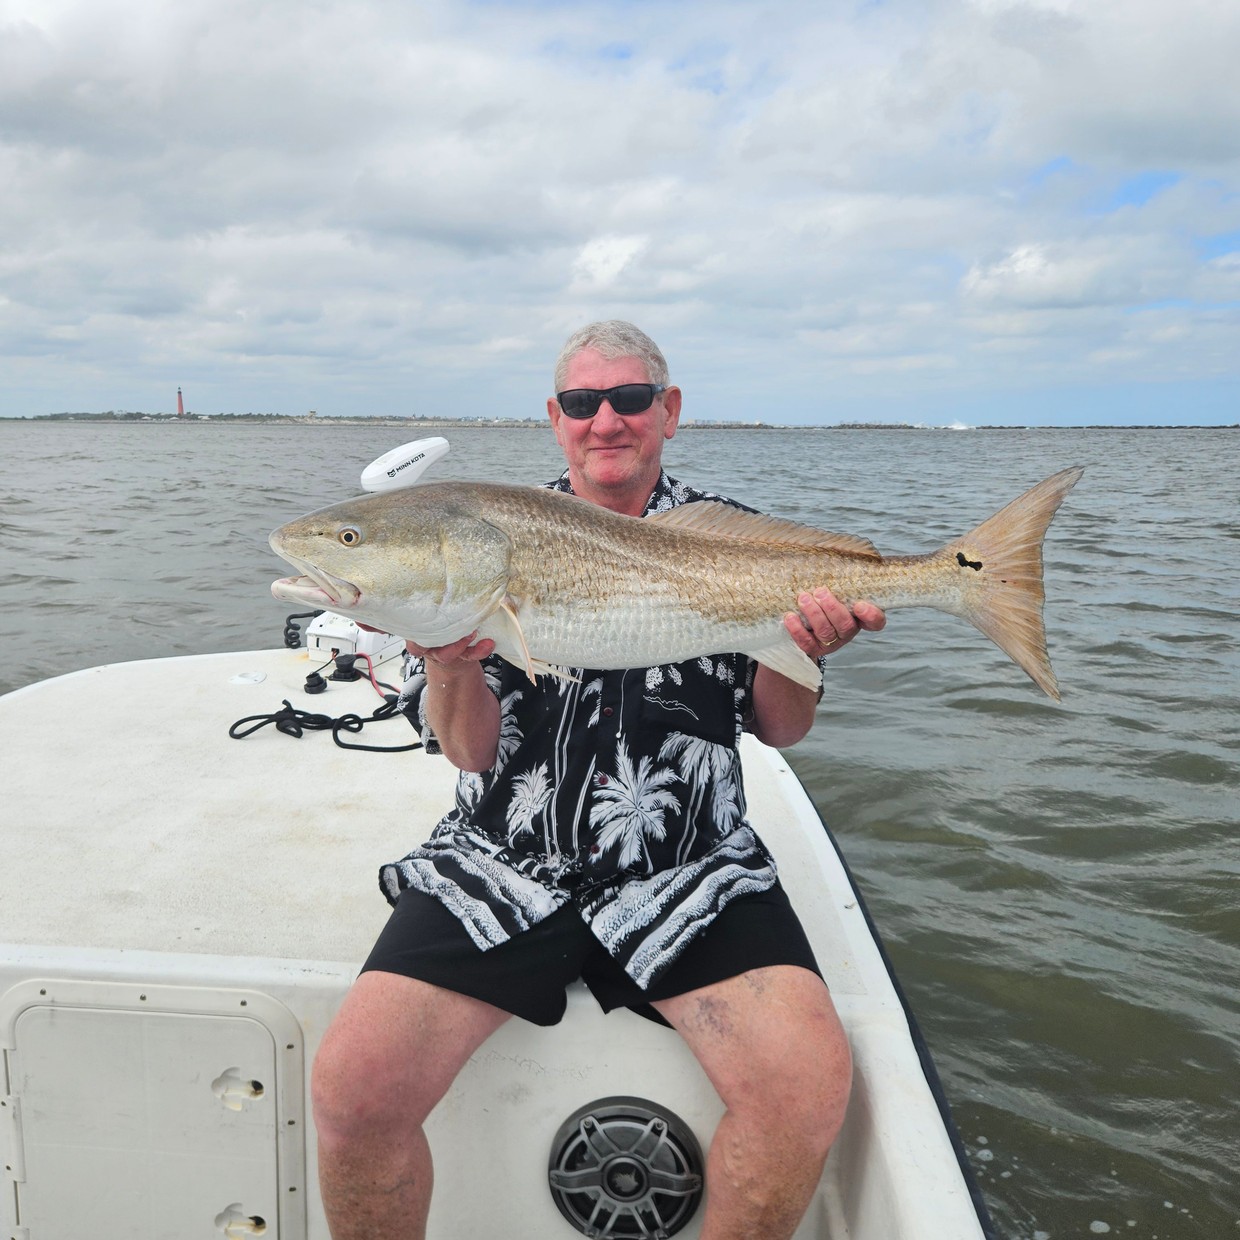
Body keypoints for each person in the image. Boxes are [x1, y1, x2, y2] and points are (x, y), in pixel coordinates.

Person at [311, 321, 887, 1239]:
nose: (606, 420)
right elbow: (468, 754)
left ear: (669, 411)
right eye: (583, 403)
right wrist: (451, 662)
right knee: (351, 1095)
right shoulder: (479, 538)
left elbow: (780, 727)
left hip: (688, 862)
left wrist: (803, 645)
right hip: (504, 857)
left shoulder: (731, 538)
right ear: (555, 419)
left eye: (628, 399)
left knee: (804, 1096)